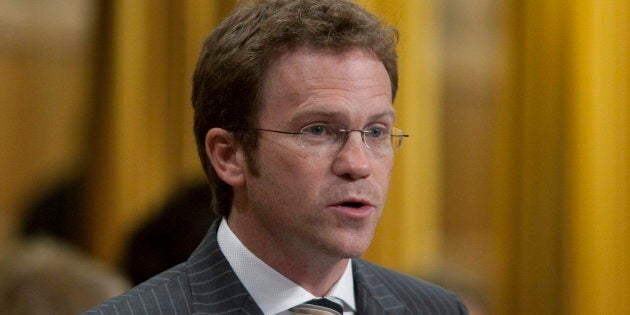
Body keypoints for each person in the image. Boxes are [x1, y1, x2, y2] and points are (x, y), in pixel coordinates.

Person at [84, 0, 468, 314]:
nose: (358, 164)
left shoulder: (435, 308)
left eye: (375, 132)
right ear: (229, 155)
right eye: (318, 130)